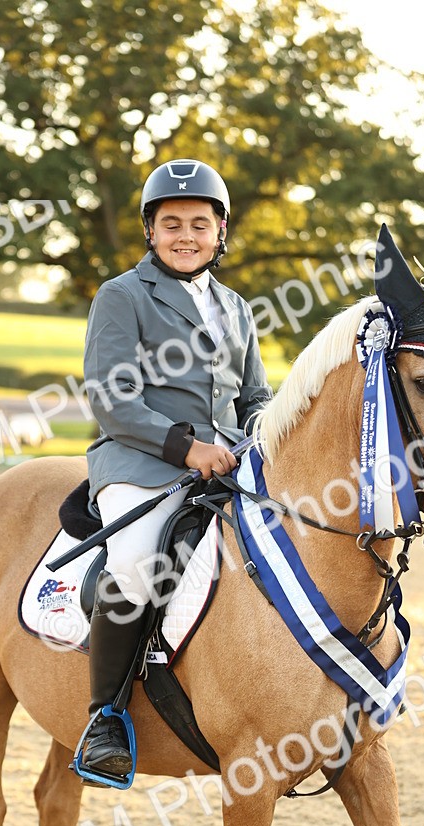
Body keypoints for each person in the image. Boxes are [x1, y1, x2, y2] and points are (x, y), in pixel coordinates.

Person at [79, 158, 272, 781]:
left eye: (199, 223)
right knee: (137, 565)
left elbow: (255, 399)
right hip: (142, 465)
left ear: (221, 232)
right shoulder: (122, 296)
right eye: (171, 224)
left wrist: (260, 438)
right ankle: (105, 716)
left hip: (226, 467)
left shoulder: (236, 307)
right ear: (150, 232)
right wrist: (189, 450)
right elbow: (112, 398)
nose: (185, 236)